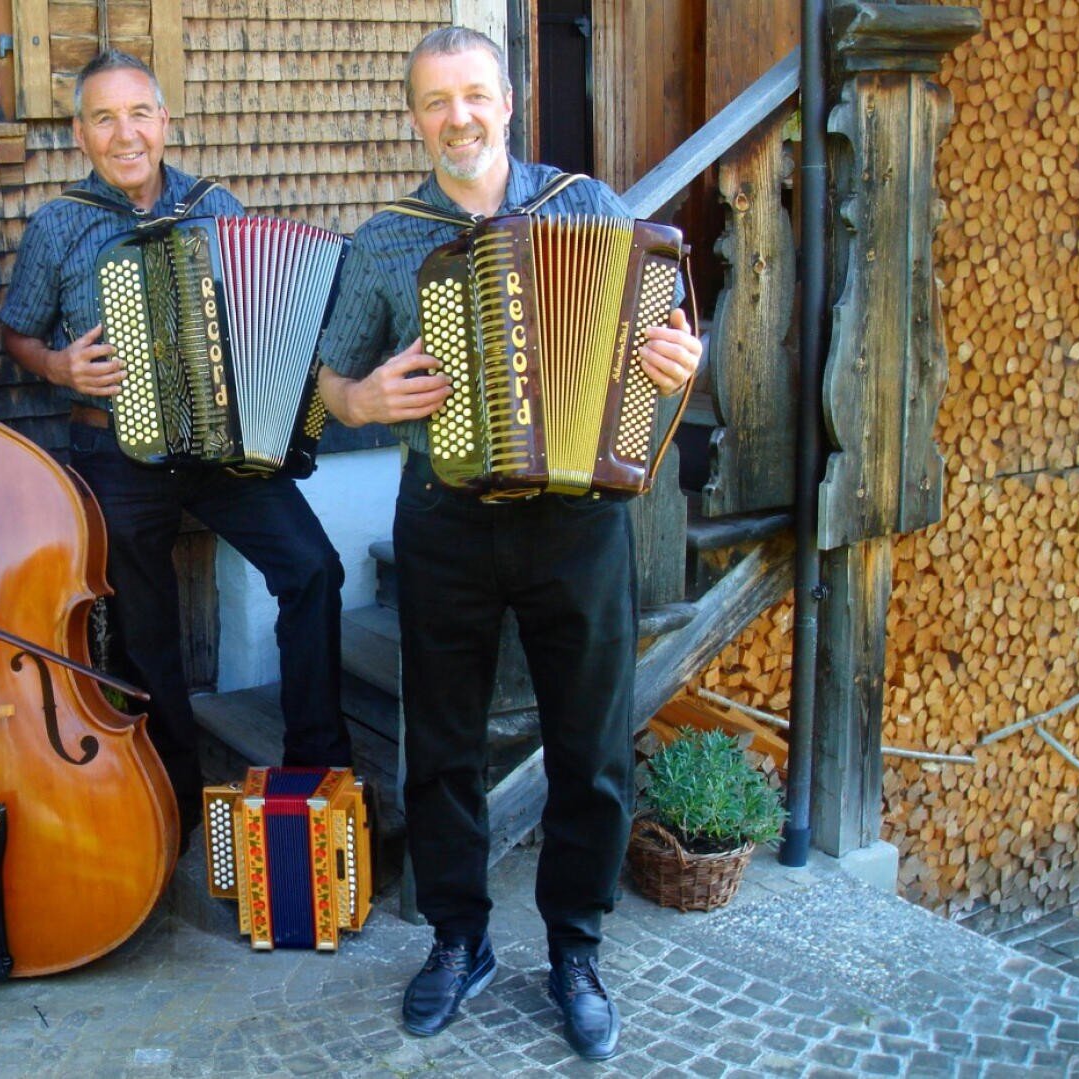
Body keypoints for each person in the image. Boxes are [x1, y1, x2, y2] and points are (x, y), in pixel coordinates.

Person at [315, 27, 703, 1058]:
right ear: (415, 118)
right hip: (443, 519)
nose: (459, 118)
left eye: (475, 95)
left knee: (592, 743)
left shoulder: (585, 206)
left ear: (509, 99)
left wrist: (676, 364)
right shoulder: (386, 240)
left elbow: (658, 346)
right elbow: (326, 379)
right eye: (437, 101)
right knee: (439, 742)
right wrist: (358, 394)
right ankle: (458, 936)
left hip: (578, 518)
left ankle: (574, 945)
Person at [0, 50, 352, 843]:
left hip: (222, 448)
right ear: (80, 134)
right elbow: (17, 331)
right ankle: (173, 801)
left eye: (138, 114)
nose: (124, 133)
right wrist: (56, 364)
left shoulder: (213, 204)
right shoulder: (60, 224)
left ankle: (315, 769)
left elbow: (263, 304)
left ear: (163, 122)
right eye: (103, 118)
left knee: (312, 569)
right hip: (113, 454)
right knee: (143, 629)